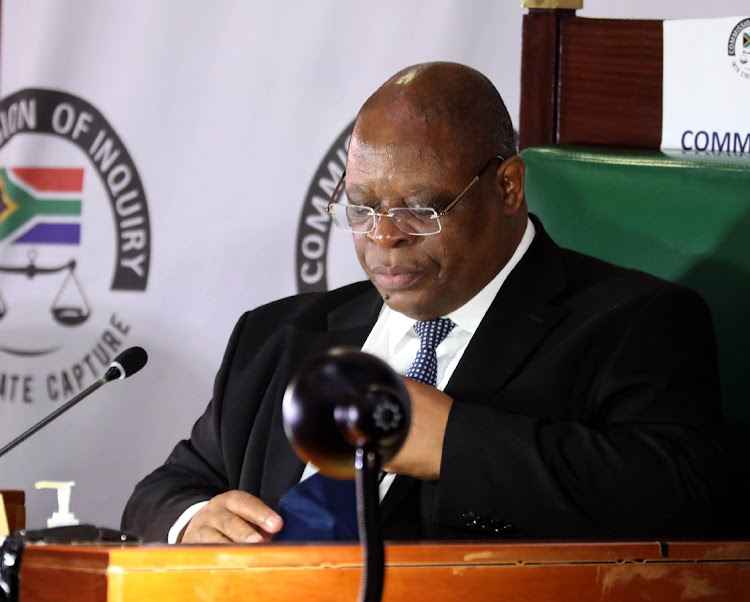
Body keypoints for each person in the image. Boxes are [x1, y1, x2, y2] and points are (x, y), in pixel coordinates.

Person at [122, 62, 729, 543]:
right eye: (361, 208)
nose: (384, 236)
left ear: (508, 188)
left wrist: (453, 445)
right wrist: (192, 519)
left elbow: (682, 495)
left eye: (422, 207)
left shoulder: (633, 323)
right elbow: (166, 488)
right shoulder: (277, 335)